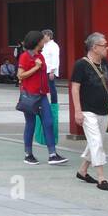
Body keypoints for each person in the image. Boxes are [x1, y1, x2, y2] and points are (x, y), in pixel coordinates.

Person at [72, 32, 108, 191]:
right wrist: (77, 111)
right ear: (94, 47)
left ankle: (82, 170)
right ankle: (101, 177)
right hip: (87, 110)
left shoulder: (105, 63)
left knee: (96, 142)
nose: (107, 48)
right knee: (96, 141)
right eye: (104, 45)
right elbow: (75, 88)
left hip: (103, 109)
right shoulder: (81, 65)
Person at [17, 29, 67, 165]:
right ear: (36, 42)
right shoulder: (25, 57)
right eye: (41, 40)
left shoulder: (41, 55)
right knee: (31, 124)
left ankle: (52, 154)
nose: (44, 41)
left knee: (49, 122)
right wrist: (35, 67)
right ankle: (28, 154)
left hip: (42, 94)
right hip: (30, 95)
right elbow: (20, 75)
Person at [41, 29, 61, 105]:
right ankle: (44, 103)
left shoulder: (54, 46)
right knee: (42, 88)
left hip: (50, 70)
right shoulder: (43, 45)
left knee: (52, 88)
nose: (42, 37)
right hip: (43, 70)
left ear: (49, 36)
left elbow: (55, 59)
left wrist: (52, 71)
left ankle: (54, 104)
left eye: (44, 36)